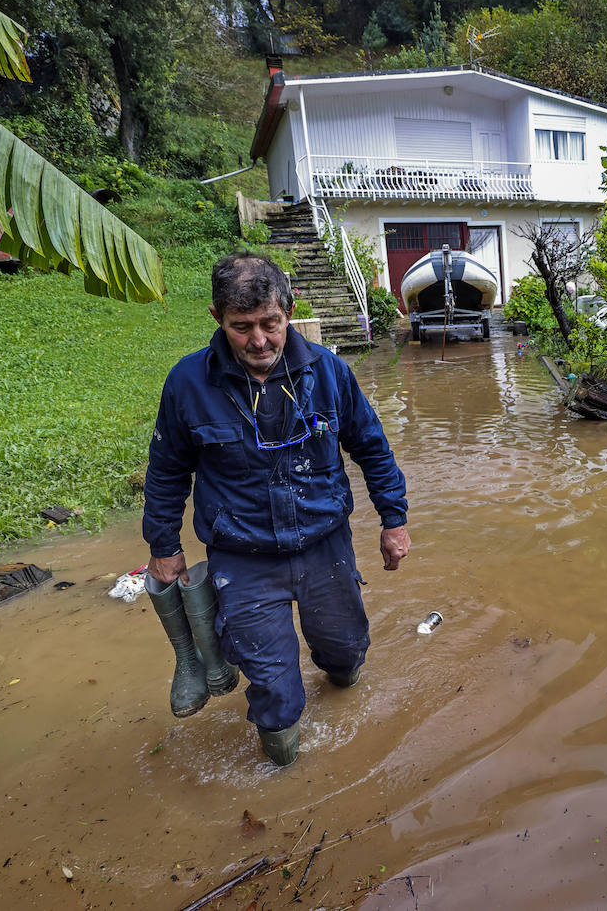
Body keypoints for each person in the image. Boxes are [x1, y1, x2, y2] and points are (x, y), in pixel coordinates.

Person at [142, 251, 410, 766]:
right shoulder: (187, 384)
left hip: (324, 545)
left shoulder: (329, 372)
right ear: (217, 319)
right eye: (241, 327)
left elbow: (372, 447)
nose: (259, 341)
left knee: (346, 651)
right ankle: (284, 769)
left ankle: (342, 678)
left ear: (288, 310)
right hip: (242, 558)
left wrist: (393, 520)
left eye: (270, 323)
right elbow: (167, 470)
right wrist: (164, 547)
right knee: (273, 687)